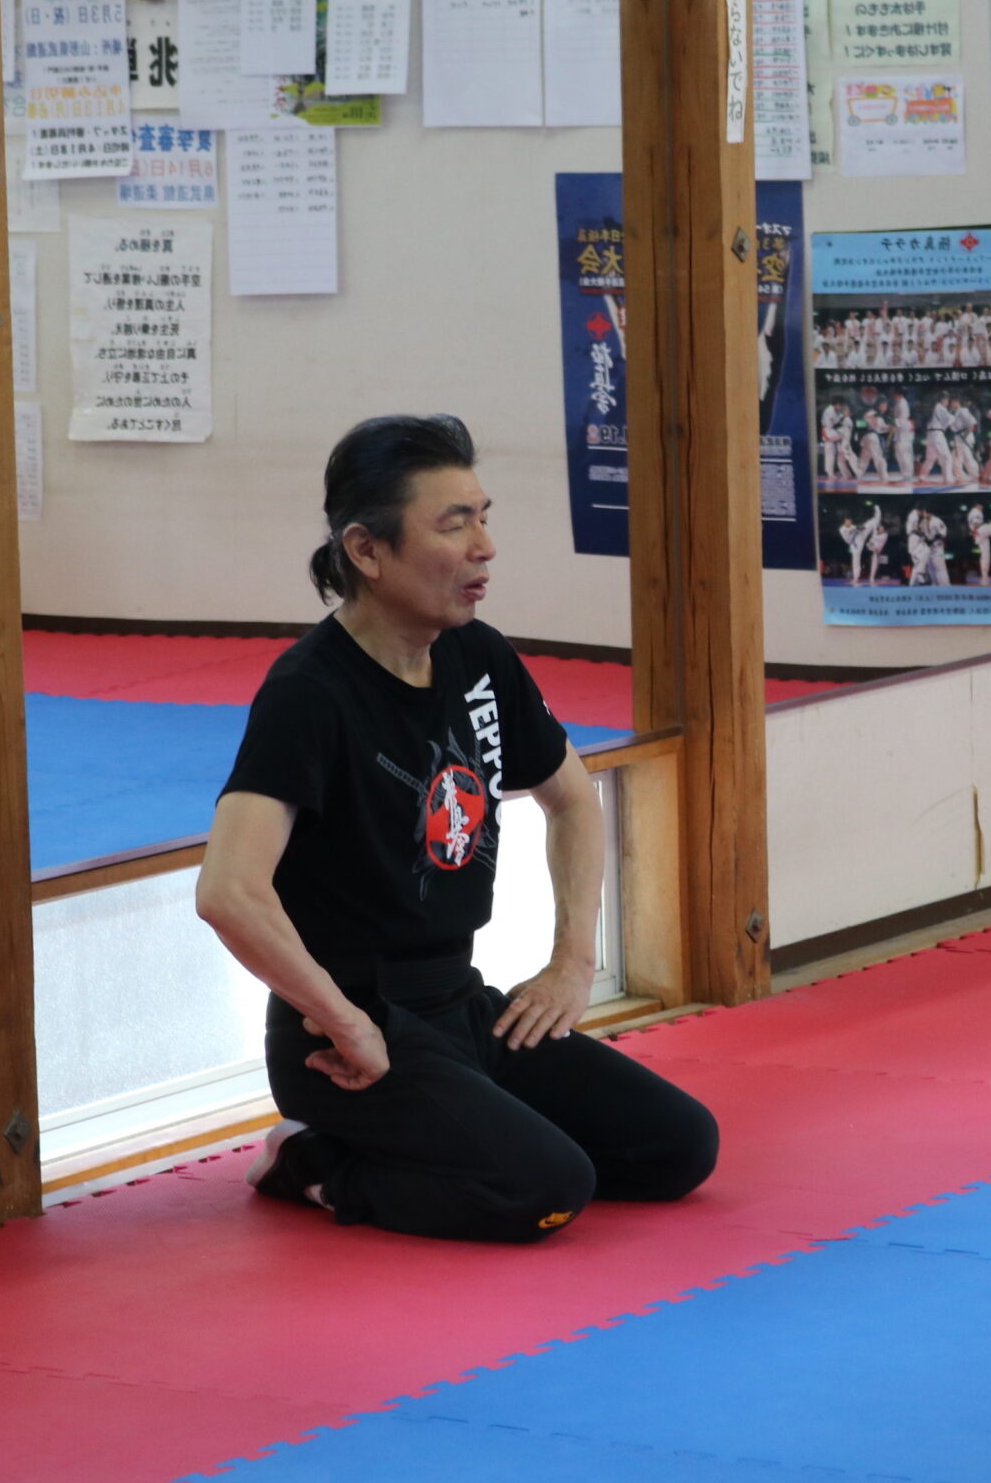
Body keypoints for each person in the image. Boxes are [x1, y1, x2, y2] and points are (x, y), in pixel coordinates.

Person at [195, 414, 717, 1244]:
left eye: (483, 516)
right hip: (348, 1037)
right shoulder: (309, 693)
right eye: (454, 524)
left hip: (465, 1007)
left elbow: (573, 801)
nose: (485, 547)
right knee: (549, 1188)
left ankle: (455, 1129)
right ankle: (318, 1163)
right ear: (367, 550)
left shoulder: (479, 656)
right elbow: (228, 891)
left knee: (679, 1147)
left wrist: (572, 963)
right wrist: (347, 1023)